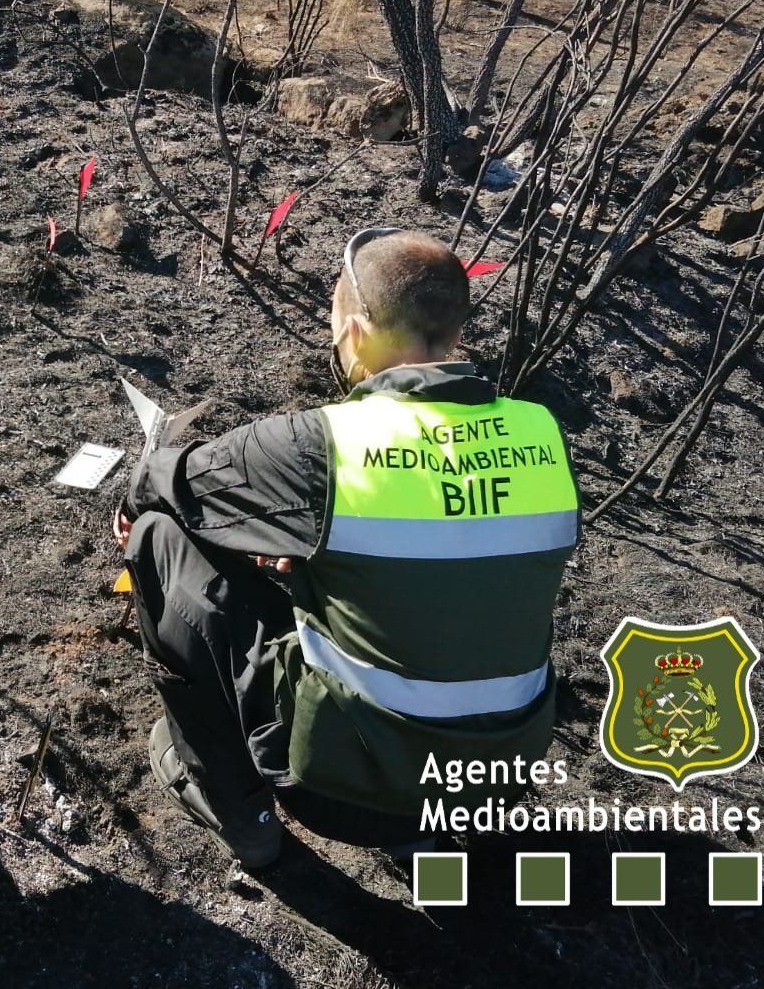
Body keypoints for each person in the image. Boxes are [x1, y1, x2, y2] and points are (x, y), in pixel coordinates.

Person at [116, 229, 579, 867]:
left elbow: (169, 478)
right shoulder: (541, 433)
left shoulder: (324, 444)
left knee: (157, 537)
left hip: (348, 790)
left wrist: (138, 506)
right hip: (502, 771)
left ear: (356, 332)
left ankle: (239, 813)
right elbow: (452, 559)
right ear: (455, 331)